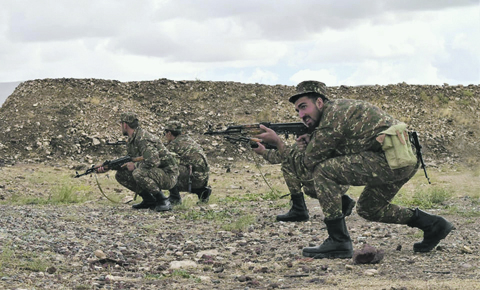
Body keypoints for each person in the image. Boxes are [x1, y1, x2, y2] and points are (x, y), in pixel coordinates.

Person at [253, 80, 453, 259]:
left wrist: (278, 142)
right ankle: (433, 225)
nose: (301, 114)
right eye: (297, 110)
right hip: (402, 158)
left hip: (389, 158)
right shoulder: (336, 114)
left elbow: (309, 162)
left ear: (320, 102)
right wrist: (309, 142)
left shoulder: (333, 114)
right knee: (369, 209)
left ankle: (338, 241)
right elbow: (340, 148)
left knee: (324, 171)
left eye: (304, 107)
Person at [98, 112, 179, 212]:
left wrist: (135, 166)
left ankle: (163, 200)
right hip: (158, 172)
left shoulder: (142, 138)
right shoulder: (133, 139)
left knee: (138, 172)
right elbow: (130, 160)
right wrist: (109, 167)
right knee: (121, 175)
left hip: (169, 175)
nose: (121, 127)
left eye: (121, 124)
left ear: (125, 125)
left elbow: (154, 161)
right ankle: (149, 200)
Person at [164, 120, 211, 204]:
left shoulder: (174, 144)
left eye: (165, 133)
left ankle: (174, 197)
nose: (165, 136)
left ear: (169, 133)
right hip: (203, 179)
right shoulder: (188, 139)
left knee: (166, 167)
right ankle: (202, 192)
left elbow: (161, 157)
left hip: (193, 179)